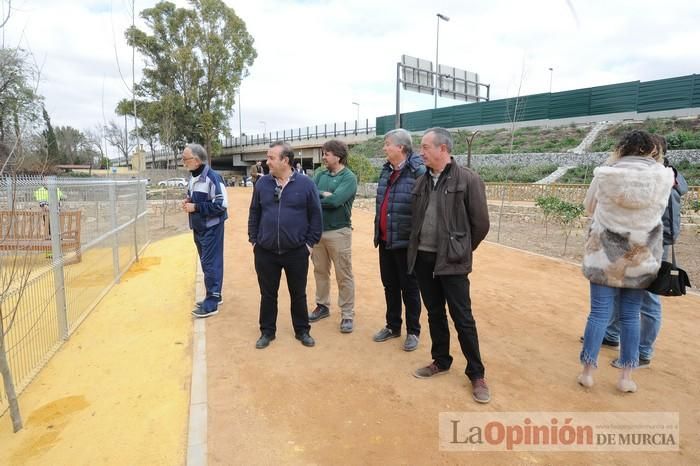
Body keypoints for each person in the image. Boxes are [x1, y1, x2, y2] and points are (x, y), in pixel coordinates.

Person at [578, 130, 674, 393]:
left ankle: (587, 371)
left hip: (603, 254)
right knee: (631, 315)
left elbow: (589, 207)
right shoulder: (663, 177)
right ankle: (626, 378)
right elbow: (661, 211)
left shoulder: (605, 174)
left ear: (623, 148)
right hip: (641, 255)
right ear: (652, 151)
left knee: (599, 313)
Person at [407, 127, 492, 404]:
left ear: (442, 149)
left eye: (425, 147)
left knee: (463, 318)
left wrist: (460, 249)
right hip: (423, 258)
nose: (421, 152)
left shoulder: (468, 179)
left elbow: (480, 224)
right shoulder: (421, 180)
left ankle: (476, 373)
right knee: (434, 313)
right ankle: (441, 360)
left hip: (452, 261)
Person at [601, 136, 689, 369]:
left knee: (648, 298)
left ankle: (642, 351)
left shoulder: (662, 178)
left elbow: (665, 219)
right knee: (623, 290)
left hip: (652, 244)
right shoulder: (661, 175)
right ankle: (612, 334)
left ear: (653, 152)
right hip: (636, 241)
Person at [248, 141, 322, 349]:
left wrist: (309, 244)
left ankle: (302, 330)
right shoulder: (262, 184)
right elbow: (255, 212)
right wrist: (254, 240)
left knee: (298, 293)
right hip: (265, 251)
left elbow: (315, 216)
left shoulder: (306, 184)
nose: (267, 161)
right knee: (268, 294)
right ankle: (267, 332)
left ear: (285, 160)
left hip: (296, 251)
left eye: (271, 157)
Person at [372, 129, 425, 351]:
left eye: (387, 144)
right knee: (390, 285)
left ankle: (413, 331)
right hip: (385, 240)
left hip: (406, 243)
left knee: (410, 288)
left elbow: (425, 209)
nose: (384, 148)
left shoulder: (418, 171)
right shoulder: (387, 170)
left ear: (400, 148)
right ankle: (393, 326)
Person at [308, 140, 358, 333]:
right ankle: (322, 306)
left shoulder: (349, 177)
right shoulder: (320, 175)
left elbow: (336, 200)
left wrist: (325, 196)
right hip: (317, 232)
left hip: (339, 232)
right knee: (320, 271)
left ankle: (347, 314)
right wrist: (324, 194)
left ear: (338, 155)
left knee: (343, 274)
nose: (324, 157)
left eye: (327, 153)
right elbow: (310, 196)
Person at [182, 143, 229, 318]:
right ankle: (215, 294)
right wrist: (188, 201)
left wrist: (196, 207)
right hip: (199, 227)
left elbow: (221, 205)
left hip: (212, 227)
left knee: (210, 263)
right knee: (206, 262)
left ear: (195, 160)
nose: (183, 162)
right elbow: (196, 198)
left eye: (185, 159)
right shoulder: (193, 177)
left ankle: (211, 303)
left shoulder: (212, 177)